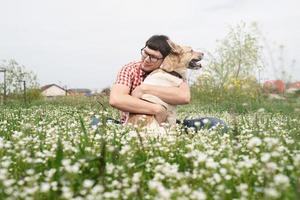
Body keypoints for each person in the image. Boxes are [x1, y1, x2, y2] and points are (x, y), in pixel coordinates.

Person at [109, 35, 191, 124]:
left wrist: (144, 89)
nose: (147, 60)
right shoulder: (130, 69)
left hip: (166, 123)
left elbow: (184, 97)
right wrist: (157, 109)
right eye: (145, 53)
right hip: (133, 124)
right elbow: (116, 99)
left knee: (207, 122)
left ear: (165, 59)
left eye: (154, 57)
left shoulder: (173, 73)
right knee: (96, 122)